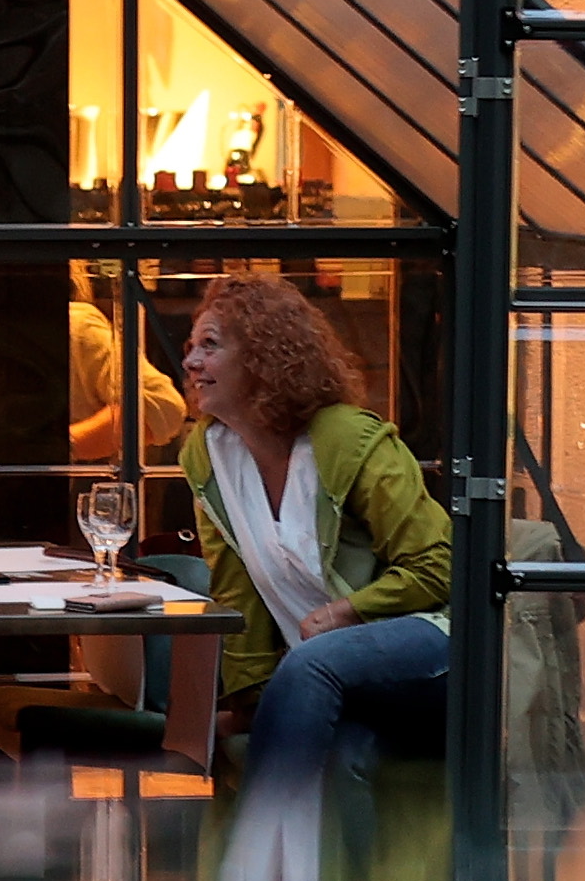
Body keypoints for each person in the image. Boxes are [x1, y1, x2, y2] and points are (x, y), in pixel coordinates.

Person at [178, 273, 451, 762]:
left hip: (432, 640)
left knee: (311, 664)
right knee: (312, 718)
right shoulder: (209, 454)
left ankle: (263, 838)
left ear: (262, 358)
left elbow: (439, 565)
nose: (191, 361)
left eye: (210, 345)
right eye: (191, 346)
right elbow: (236, 592)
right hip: (319, 664)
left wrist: (343, 613)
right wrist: (247, 703)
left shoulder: (346, 438)